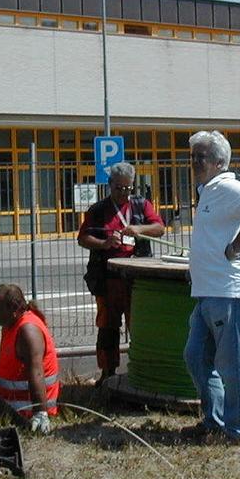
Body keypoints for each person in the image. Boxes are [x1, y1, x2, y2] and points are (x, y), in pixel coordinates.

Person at [183, 130, 240, 445]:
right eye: (193, 156)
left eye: (201, 157)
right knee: (195, 356)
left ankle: (238, 430)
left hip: (229, 292)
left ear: (220, 162)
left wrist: (236, 248)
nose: (194, 161)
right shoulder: (207, 190)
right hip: (208, 291)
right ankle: (215, 420)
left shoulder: (227, 187)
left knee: (232, 365)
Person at [77, 161, 165, 385]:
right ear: (110, 185)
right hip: (108, 278)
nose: (124, 193)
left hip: (136, 277)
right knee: (108, 326)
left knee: (139, 325)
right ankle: (108, 372)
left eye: (128, 188)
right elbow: (83, 238)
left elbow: (159, 228)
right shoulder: (98, 210)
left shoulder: (141, 205)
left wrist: (139, 229)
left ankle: (143, 370)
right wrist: (104, 243)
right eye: (119, 188)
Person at [0, 283, 60, 434]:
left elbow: (37, 373)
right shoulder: (11, 325)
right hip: (13, 409)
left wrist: (40, 413)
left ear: (13, 310)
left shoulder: (28, 331)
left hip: (24, 412)